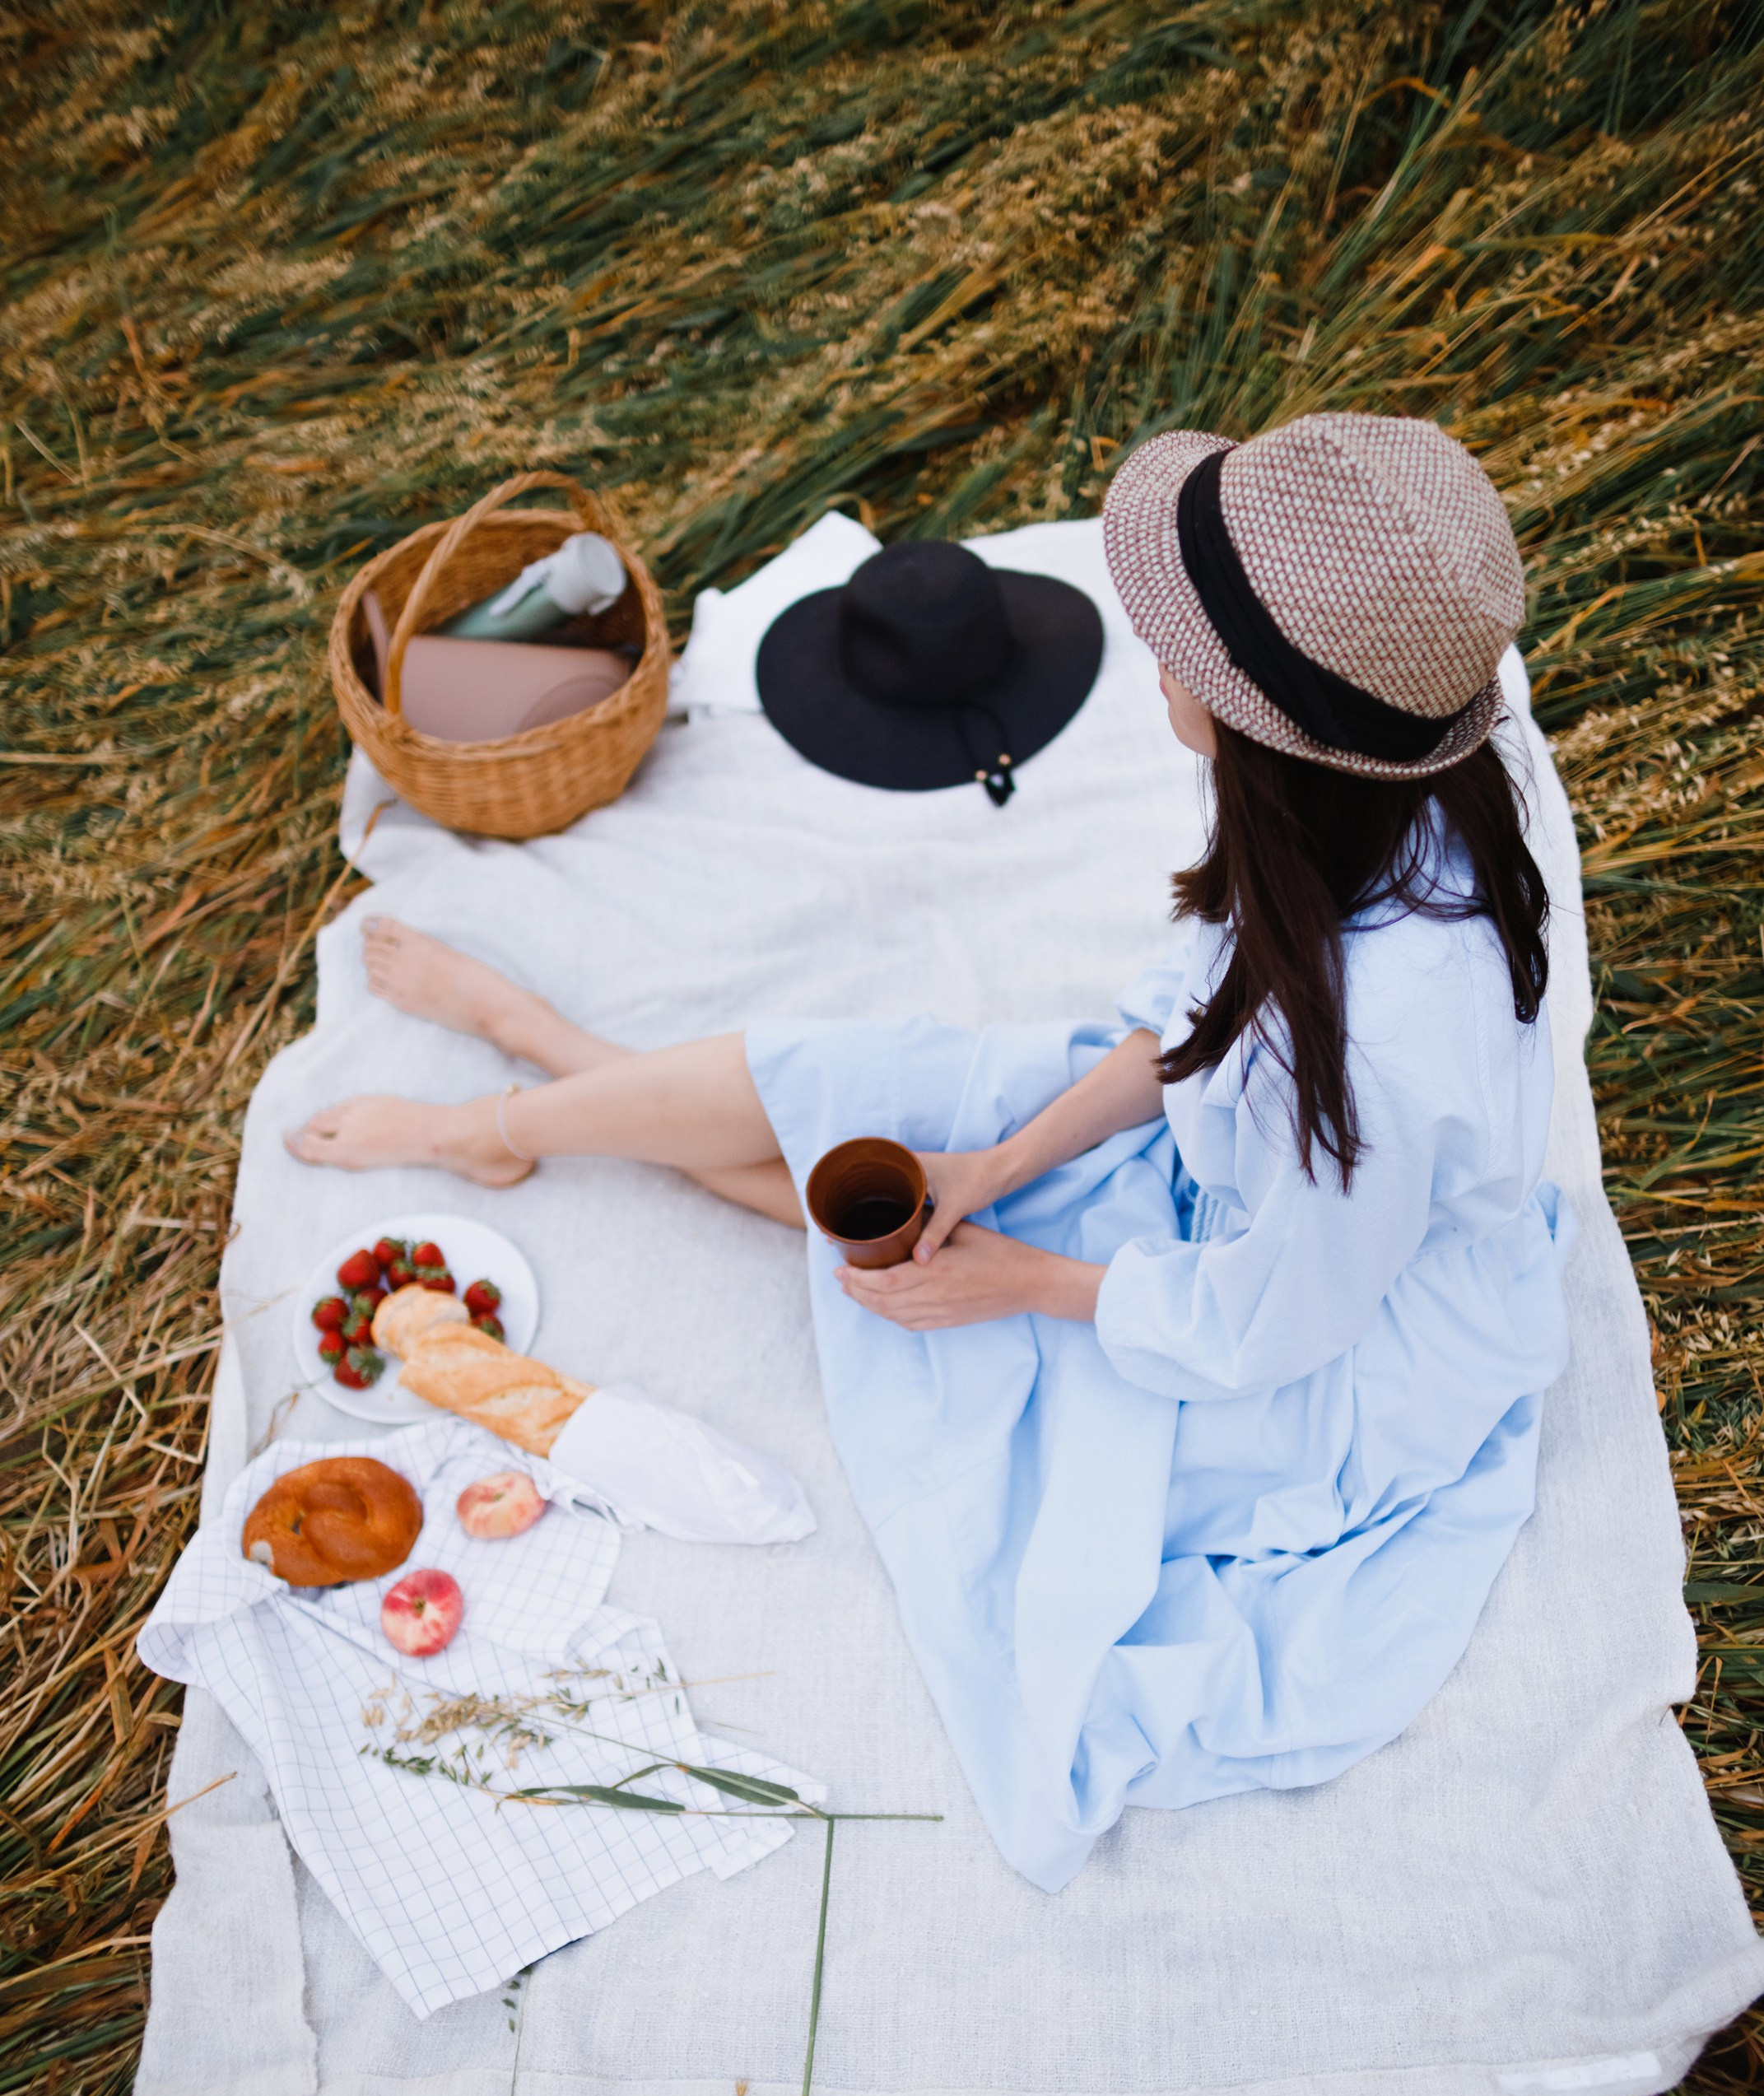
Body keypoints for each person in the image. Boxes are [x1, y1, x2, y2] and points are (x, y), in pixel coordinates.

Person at [289, 413, 1573, 1890]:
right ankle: (530, 1095)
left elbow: (1278, 1319)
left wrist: (1027, 1282)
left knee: (906, 1260)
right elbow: (1200, 1028)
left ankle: (538, 1083)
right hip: (1245, 1171)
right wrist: (1003, 1167)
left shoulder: (1381, 1055)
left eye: (1183, 653)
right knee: (892, 1113)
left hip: (1314, 1341)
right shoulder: (1363, 806)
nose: (1157, 668)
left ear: (1271, 724)